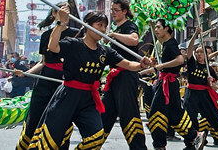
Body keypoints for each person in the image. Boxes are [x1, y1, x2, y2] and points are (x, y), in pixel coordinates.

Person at [27, 10, 151, 150]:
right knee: (49, 142)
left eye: (105, 26)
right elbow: (53, 47)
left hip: (88, 101)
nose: (103, 29)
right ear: (88, 26)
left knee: (96, 137)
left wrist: (141, 64)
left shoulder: (105, 51)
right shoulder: (73, 44)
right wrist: (60, 24)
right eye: (99, 25)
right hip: (67, 96)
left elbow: (128, 64)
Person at [16, 3, 79, 150]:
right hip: (45, 81)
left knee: (62, 120)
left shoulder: (76, 33)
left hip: (65, 82)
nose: (65, 14)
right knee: (35, 117)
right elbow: (43, 62)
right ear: (53, 14)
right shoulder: (45, 35)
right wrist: (25, 73)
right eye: (61, 12)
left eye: (67, 12)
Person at [100, 0, 148, 150]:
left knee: (129, 114)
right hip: (114, 77)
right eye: (112, 10)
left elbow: (134, 40)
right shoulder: (118, 28)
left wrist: (113, 36)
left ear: (125, 11)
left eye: (116, 10)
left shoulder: (129, 26)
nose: (113, 13)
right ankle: (92, 144)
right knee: (105, 113)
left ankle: (139, 148)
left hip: (127, 75)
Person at [148, 19, 199, 150]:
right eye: (155, 28)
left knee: (156, 113)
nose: (156, 30)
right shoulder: (166, 43)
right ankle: (193, 137)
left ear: (167, 29)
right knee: (174, 114)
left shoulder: (170, 44)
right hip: (167, 83)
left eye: (159, 27)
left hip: (168, 84)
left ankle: (159, 145)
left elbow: (180, 60)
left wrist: (162, 66)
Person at [184, 27, 218, 150]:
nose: (198, 54)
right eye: (197, 52)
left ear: (206, 54)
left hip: (204, 93)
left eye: (201, 52)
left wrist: (211, 82)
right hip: (191, 93)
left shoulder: (210, 69)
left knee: (214, 116)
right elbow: (189, 48)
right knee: (190, 118)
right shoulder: (192, 63)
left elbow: (215, 86)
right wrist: (195, 34)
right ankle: (192, 143)